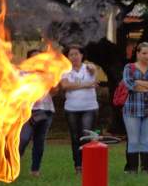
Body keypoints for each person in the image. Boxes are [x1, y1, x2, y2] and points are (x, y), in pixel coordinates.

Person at [122, 42, 148, 173]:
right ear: (138, 53)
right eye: (144, 53)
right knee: (133, 140)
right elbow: (130, 84)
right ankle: (132, 169)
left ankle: (146, 168)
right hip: (132, 109)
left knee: (146, 140)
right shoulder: (129, 67)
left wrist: (139, 83)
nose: (147, 56)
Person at [60, 45, 99, 173]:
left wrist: (77, 85)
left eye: (77, 54)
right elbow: (65, 85)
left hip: (89, 107)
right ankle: (78, 165)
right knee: (75, 137)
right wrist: (86, 84)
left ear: (82, 55)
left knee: (86, 136)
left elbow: (95, 79)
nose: (74, 57)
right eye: (71, 54)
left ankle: (88, 163)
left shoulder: (89, 67)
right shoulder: (65, 70)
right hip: (71, 108)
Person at [18, 49, 56, 177]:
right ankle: (13, 165)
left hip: (46, 110)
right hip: (27, 111)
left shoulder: (48, 74)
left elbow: (54, 92)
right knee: (23, 138)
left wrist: (55, 84)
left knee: (39, 141)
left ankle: (35, 170)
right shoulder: (21, 73)